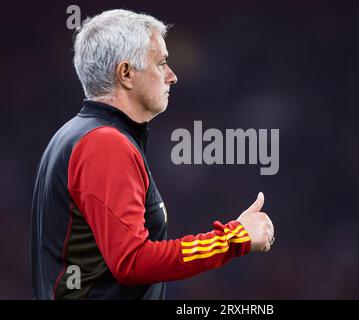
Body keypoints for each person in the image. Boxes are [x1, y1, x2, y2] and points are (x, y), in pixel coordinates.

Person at [31, 9, 275, 300]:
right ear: (126, 73)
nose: (172, 76)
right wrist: (234, 238)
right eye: (161, 63)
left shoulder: (74, 135)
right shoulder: (104, 144)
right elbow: (133, 261)